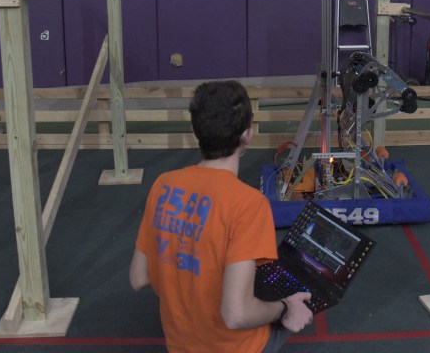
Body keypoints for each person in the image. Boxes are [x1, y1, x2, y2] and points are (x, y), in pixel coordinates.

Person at [129, 80, 313, 352]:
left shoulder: (163, 184)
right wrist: (285, 308)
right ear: (247, 134)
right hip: (234, 347)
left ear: (196, 130)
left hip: (180, 344)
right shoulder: (249, 205)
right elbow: (236, 316)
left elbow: (139, 277)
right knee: (301, 302)